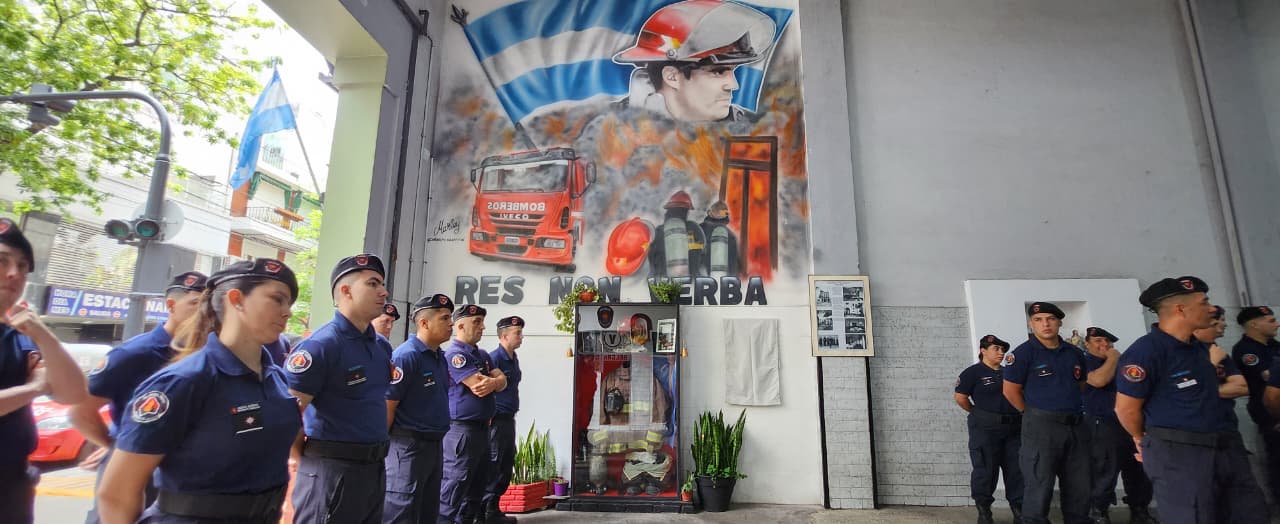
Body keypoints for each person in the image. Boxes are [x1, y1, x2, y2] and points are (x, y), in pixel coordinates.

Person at [95, 258, 300, 523]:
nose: (287, 312)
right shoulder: (184, 381)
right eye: (277, 299)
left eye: (289, 303)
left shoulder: (276, 379)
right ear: (236, 299)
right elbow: (117, 493)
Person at [1115, 276, 1268, 524]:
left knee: (1248, 514)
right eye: (1204, 302)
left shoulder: (1201, 349)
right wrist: (1143, 440)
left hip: (1227, 448)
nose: (1211, 308)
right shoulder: (1146, 352)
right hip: (1181, 455)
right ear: (1180, 309)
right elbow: (1126, 409)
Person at [74, 271, 207, 524]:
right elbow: (81, 410)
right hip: (135, 468)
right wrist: (114, 446)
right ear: (170, 305)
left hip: (182, 472)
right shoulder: (135, 354)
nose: (203, 314)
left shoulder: (206, 354)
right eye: (195, 304)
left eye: (208, 306)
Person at [287, 254, 394, 524]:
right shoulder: (321, 346)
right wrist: (312, 464)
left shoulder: (380, 347)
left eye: (382, 284)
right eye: (373, 284)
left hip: (374, 468)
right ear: (345, 291)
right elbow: (287, 415)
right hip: (331, 470)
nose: (384, 291)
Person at [0, 218, 88, 523]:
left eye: (23, 266)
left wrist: (44, 335)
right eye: (2, 261)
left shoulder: (20, 336)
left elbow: (74, 393)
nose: (14, 274)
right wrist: (35, 388)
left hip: (13, 484)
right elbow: (44, 386)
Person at [612, 0, 777, 122]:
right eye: (718, 72)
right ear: (672, 77)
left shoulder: (748, 129)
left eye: (732, 71)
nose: (734, 85)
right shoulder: (610, 130)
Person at [1001, 301, 1090, 524]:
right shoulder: (1023, 354)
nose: (1045, 324)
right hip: (1041, 427)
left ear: (1060, 322)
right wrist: (1032, 414)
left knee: (1079, 484)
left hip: (1076, 425)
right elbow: (1010, 391)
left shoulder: (1075, 353)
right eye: (1039, 320)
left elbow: (1080, 385)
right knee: (1039, 484)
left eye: (1050, 319)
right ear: (1031, 324)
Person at [383, 294, 455, 524]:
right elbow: (388, 405)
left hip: (433, 445)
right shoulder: (407, 356)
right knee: (402, 510)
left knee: (427, 510)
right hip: (408, 447)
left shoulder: (439, 358)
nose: (451, 323)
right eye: (444, 318)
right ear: (424, 323)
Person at [1079, 326, 1156, 524]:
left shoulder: (1124, 363)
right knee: (1105, 470)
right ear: (1087, 344)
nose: (1104, 345)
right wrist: (1113, 357)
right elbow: (1098, 380)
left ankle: (1139, 509)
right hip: (1102, 424)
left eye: (1108, 342)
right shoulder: (1083, 361)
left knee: (1138, 470)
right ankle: (1099, 512)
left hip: (1130, 423)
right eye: (1098, 341)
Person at [440, 305, 509, 524]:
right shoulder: (455, 355)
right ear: (460, 325)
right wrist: (494, 382)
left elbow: (502, 381)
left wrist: (496, 381)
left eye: (482, 321)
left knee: (477, 488)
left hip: (483, 430)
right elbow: (479, 385)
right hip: (461, 431)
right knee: (454, 488)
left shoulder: (482, 355)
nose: (482, 326)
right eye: (476, 322)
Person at [954, 334, 1022, 524]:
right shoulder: (973, 373)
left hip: (1014, 428)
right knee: (986, 469)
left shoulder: (1010, 372)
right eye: (996, 349)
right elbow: (961, 397)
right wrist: (979, 414)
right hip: (985, 429)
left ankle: (1019, 510)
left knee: (1017, 470)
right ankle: (984, 510)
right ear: (983, 350)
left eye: (1003, 349)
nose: (1001, 353)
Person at [1232, 305, 1280, 503]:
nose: (1277, 324)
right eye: (1270, 320)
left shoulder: (1274, 346)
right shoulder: (1246, 350)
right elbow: (1270, 376)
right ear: (1254, 324)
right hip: (1269, 411)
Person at [483, 316, 526, 524]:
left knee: (506, 463)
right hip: (496, 420)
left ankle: (494, 508)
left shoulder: (513, 358)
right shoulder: (493, 359)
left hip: (509, 419)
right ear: (504, 335)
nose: (521, 336)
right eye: (517, 333)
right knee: (494, 462)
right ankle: (486, 511)